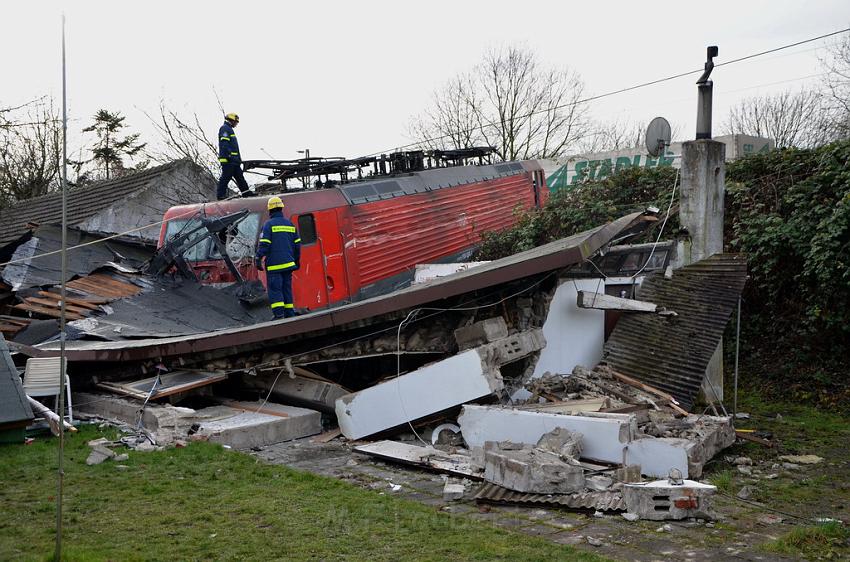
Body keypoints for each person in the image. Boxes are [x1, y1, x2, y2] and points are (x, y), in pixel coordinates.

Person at [255, 196, 301, 319]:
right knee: (287, 289)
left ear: (270, 211)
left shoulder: (268, 225)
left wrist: (258, 257)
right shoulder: (290, 225)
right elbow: (297, 245)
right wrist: (297, 261)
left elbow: (264, 244)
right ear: (281, 208)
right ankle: (289, 313)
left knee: (275, 290)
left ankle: (279, 315)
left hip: (275, 266)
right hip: (289, 264)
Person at [217, 113, 252, 200]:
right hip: (228, 160)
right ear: (231, 120)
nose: (236, 124)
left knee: (240, 177)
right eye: (236, 122)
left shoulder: (229, 129)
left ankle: (246, 193)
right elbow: (224, 144)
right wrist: (229, 156)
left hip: (234, 160)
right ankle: (221, 195)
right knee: (226, 177)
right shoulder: (225, 129)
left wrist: (238, 159)